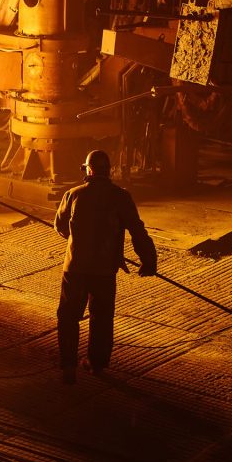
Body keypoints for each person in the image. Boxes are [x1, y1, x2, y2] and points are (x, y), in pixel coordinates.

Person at [54, 150, 157, 384]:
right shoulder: (121, 197)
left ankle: (69, 366)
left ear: (88, 170)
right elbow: (137, 231)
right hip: (104, 270)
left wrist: (78, 236)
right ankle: (96, 363)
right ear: (108, 171)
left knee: (69, 317)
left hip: (75, 268)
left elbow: (60, 227)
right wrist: (148, 260)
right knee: (101, 317)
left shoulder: (72, 194)